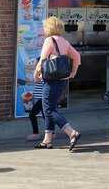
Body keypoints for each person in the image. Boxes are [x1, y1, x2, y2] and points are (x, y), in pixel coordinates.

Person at [33, 16, 81, 151]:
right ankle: (47, 140)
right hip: (62, 81)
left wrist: (36, 74)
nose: (43, 29)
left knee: (48, 109)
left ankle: (71, 132)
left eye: (45, 26)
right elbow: (77, 56)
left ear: (49, 27)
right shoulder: (64, 41)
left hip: (50, 80)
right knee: (49, 108)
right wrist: (73, 72)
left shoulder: (49, 40)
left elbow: (43, 60)